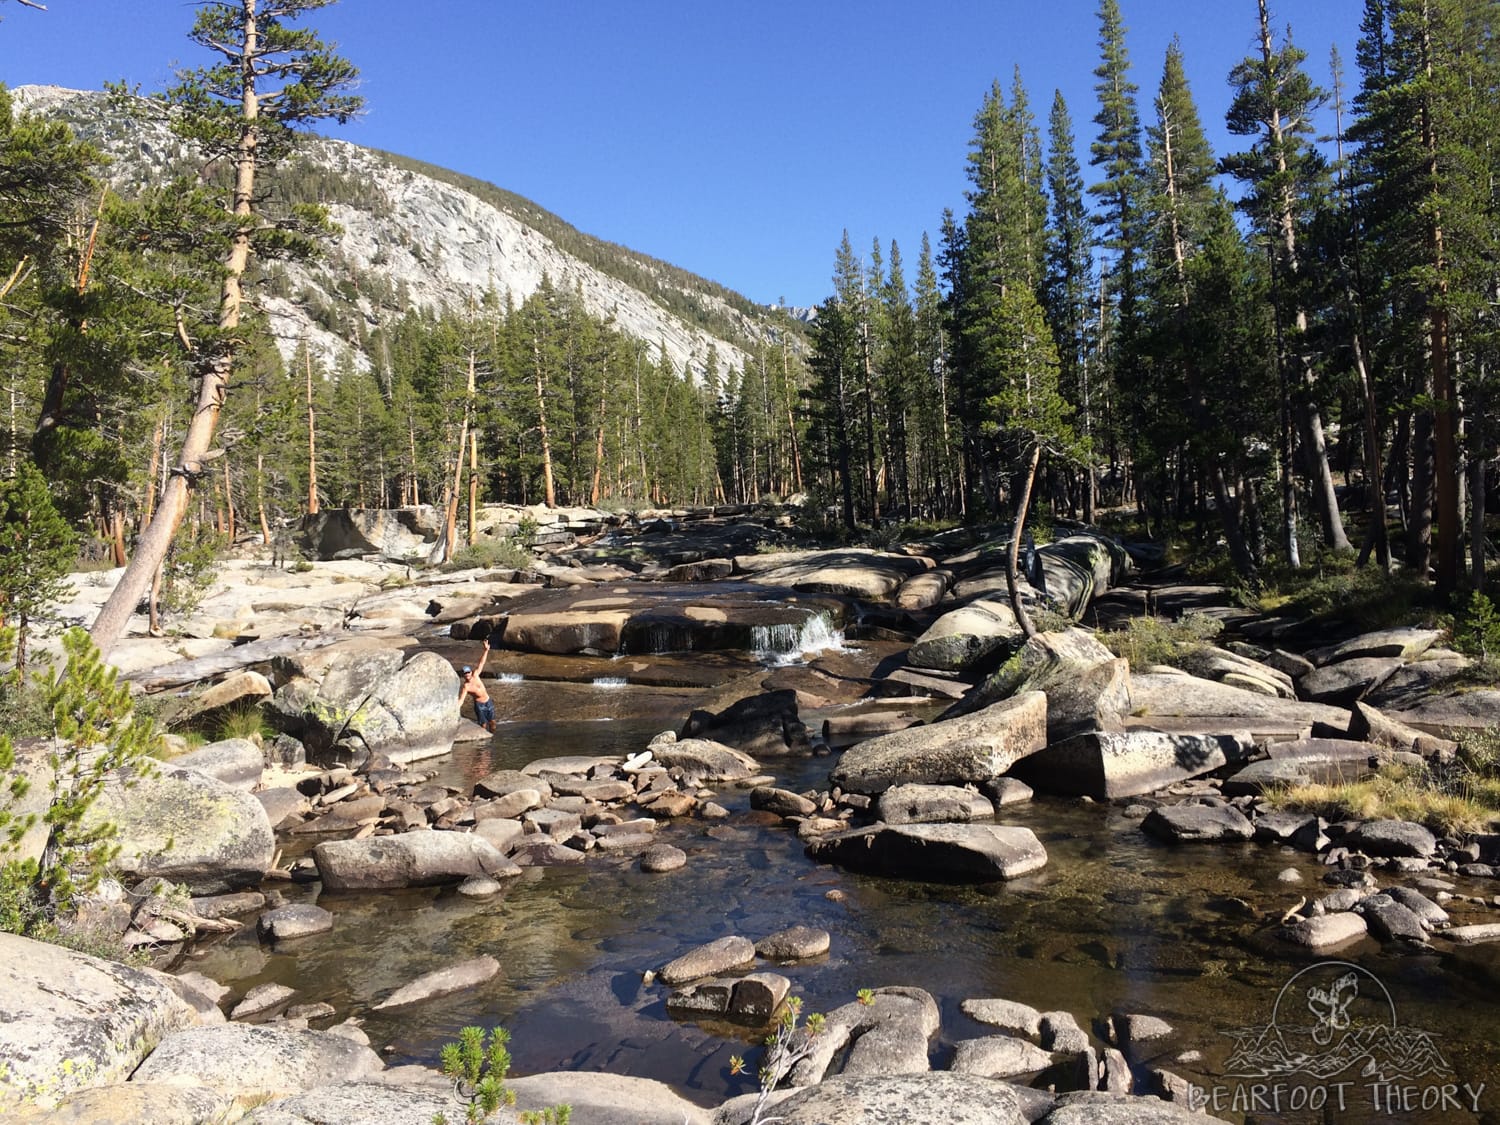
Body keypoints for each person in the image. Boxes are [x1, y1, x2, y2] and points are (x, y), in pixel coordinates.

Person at [458, 639, 495, 732]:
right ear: (463, 675)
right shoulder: (466, 686)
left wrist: (486, 650)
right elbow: (461, 700)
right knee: (483, 725)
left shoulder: (475, 674)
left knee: (492, 722)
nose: (467, 674)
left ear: (470, 672)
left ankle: (492, 738)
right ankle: (484, 742)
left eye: (468, 672)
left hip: (488, 701)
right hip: (479, 705)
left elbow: (481, 663)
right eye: (465, 673)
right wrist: (455, 708)